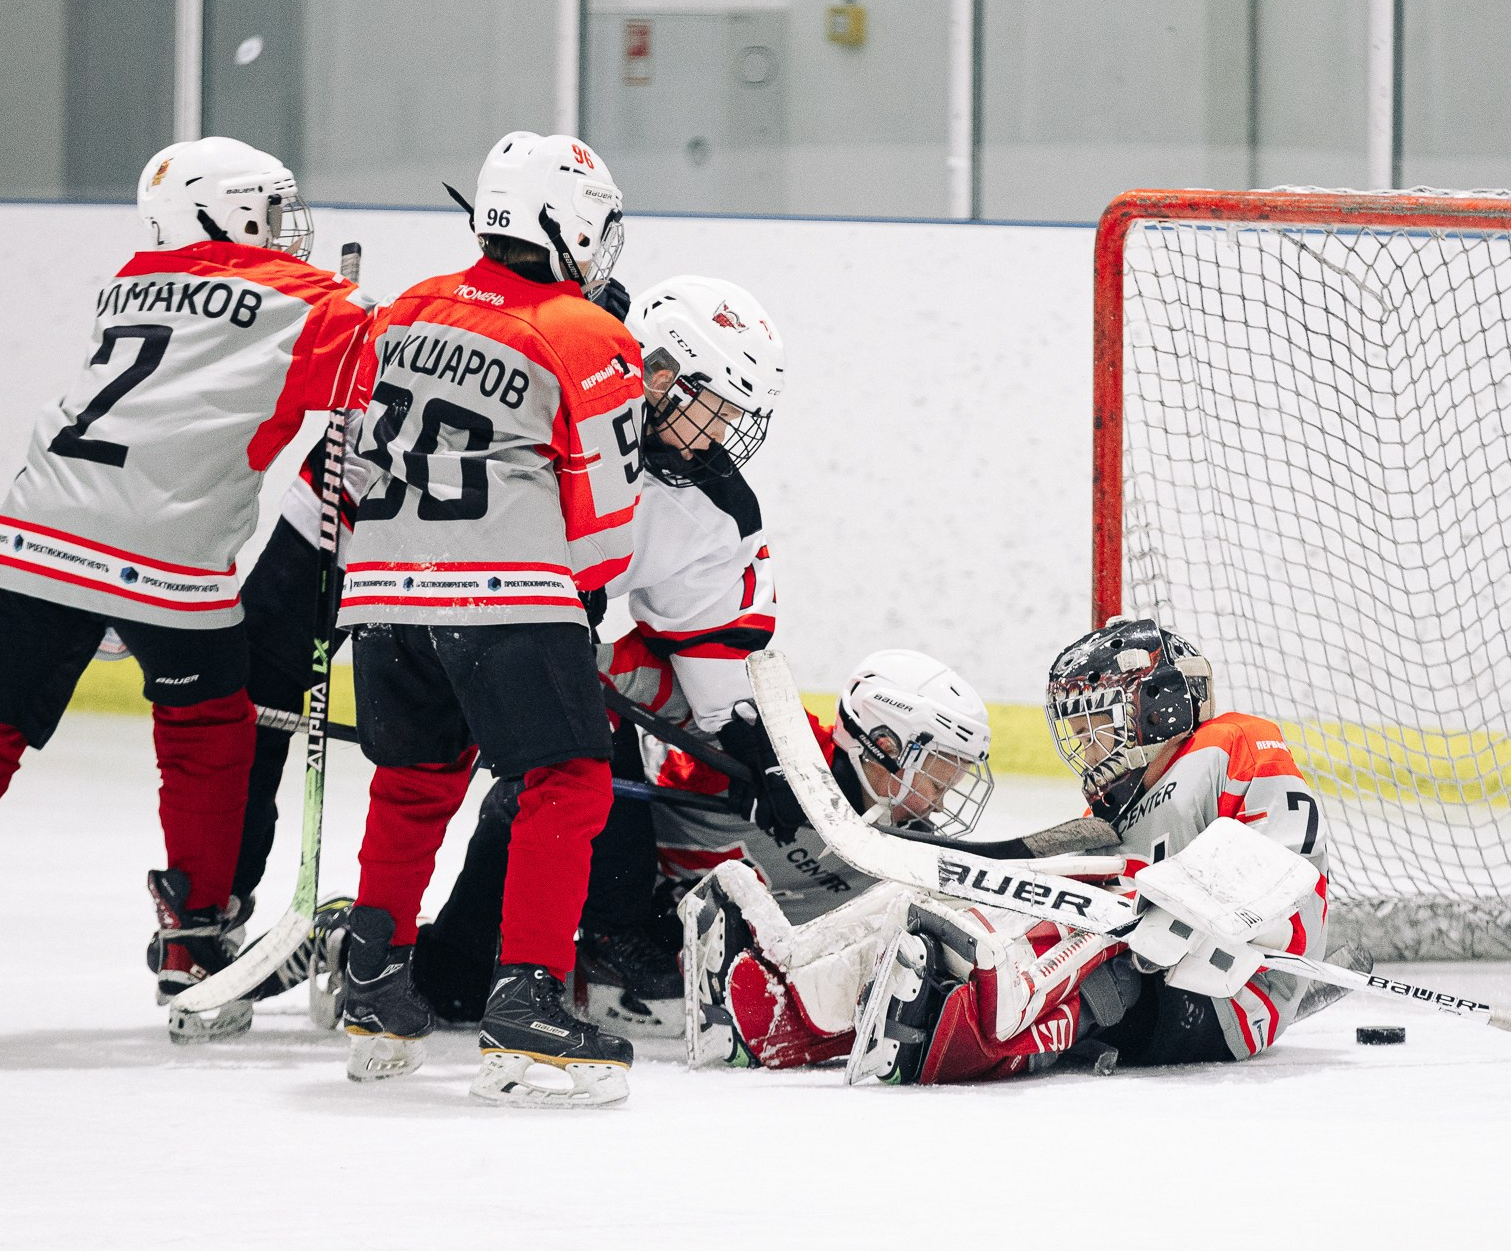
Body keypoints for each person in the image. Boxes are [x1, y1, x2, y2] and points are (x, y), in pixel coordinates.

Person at [0, 137, 368, 1051]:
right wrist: (370, 316)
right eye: (269, 208)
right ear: (224, 213)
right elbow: (397, 370)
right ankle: (193, 939)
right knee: (211, 732)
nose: (288, 227)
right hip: (166, 547)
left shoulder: (128, 279)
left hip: (36, 524)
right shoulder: (306, 302)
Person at [326, 130, 649, 1109]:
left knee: (415, 780)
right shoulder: (584, 332)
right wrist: (568, 602)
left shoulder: (400, 311)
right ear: (562, 225)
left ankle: (375, 986)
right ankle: (528, 1004)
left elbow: (345, 472)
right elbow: (603, 536)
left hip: (380, 593)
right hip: (505, 593)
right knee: (569, 779)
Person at [406, 275, 793, 1033]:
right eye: (713, 411)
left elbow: (712, 634)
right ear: (659, 376)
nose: (720, 438)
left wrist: (753, 746)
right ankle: (428, 953)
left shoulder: (713, 508)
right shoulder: (550, 402)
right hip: (440, 605)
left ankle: (458, 963)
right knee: (520, 767)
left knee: (571, 754)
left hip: (534, 630)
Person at [845, 617, 1333, 1085]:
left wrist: (1193, 912)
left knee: (1104, 963)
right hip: (1155, 983)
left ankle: (961, 1025)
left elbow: (1289, 869)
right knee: (1052, 912)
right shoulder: (1117, 808)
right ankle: (939, 1003)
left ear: (1154, 709)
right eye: (1077, 734)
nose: (1086, 747)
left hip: (1231, 993)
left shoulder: (1229, 745)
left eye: (1093, 726)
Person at [669, 649, 997, 1069]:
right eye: (935, 784)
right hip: (629, 903)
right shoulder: (777, 742)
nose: (938, 805)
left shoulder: (900, 847)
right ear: (884, 748)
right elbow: (653, 676)